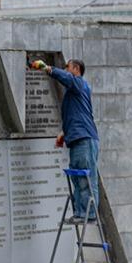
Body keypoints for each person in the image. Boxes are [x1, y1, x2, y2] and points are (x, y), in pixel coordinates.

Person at [32, 58, 101, 224]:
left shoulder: (79, 84)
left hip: (84, 138)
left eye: (67, 67)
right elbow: (75, 116)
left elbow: (67, 78)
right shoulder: (74, 94)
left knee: (85, 178)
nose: (65, 70)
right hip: (77, 138)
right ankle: (80, 212)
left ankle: (89, 214)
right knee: (77, 178)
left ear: (76, 69)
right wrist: (63, 133)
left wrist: (47, 68)